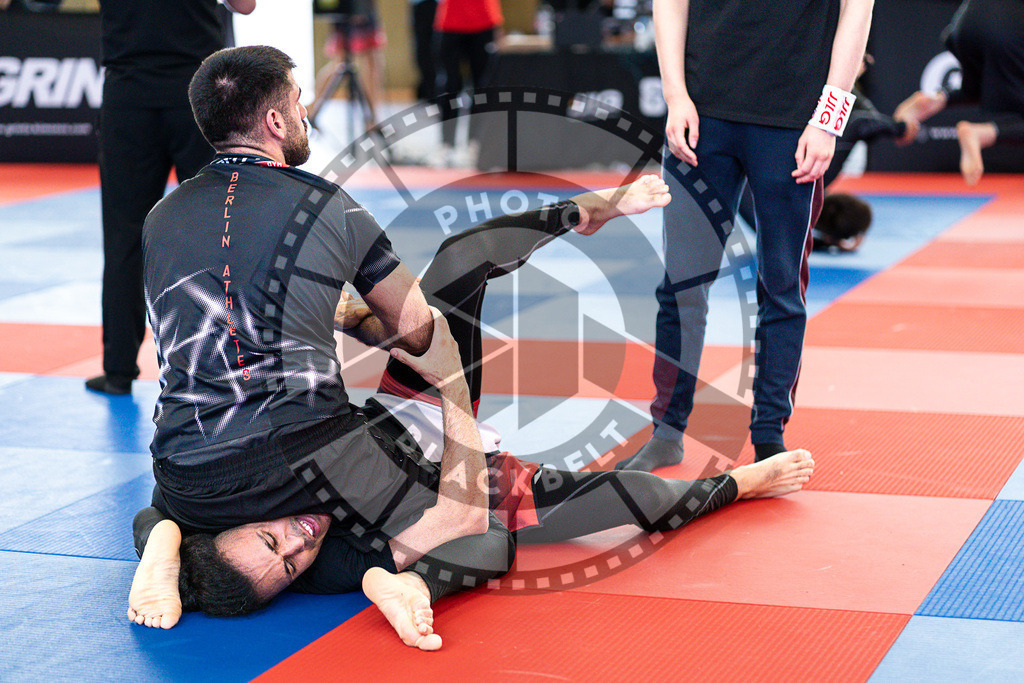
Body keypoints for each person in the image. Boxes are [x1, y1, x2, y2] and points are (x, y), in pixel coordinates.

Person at [127, 173, 816, 651]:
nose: (299, 539)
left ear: (229, 525)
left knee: (462, 258)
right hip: (470, 482)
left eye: (275, 539)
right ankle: (740, 484)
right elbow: (472, 541)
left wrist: (159, 547)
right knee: (620, 507)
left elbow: (160, 508)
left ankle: (589, 208)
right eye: (289, 565)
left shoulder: (216, 499)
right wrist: (388, 581)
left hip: (404, 406)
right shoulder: (331, 564)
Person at [616, 0, 874, 472]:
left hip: (792, 120)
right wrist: (675, 96)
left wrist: (829, 119)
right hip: (701, 114)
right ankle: (667, 432)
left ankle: (769, 437)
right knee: (682, 286)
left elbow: (857, 11)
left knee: (780, 285)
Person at [86, 0, 255, 396]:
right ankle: (225, 365)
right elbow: (244, 6)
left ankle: (118, 369)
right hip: (197, 95)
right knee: (216, 235)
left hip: (129, 93)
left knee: (124, 236)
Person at [893, 0, 1024, 185]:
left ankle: (936, 99)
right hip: (1009, 29)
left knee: (979, 89)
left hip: (968, 19)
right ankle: (982, 133)